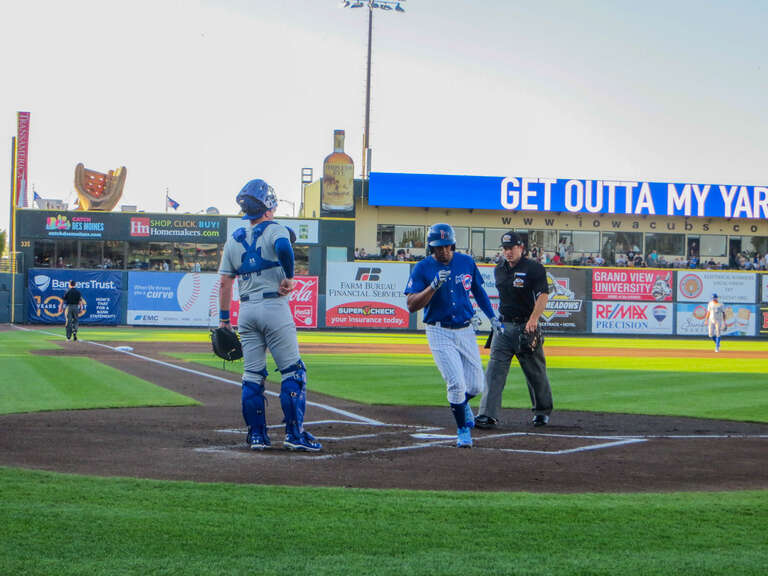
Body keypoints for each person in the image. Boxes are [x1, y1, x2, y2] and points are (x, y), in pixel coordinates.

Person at [218, 178, 321, 452]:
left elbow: (225, 283)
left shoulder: (233, 241)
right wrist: (289, 277)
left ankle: (256, 436)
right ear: (269, 205)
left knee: (251, 375)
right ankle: (294, 435)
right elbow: (285, 249)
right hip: (274, 307)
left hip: (247, 310)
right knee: (292, 371)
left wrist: (224, 319)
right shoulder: (276, 229)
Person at [404, 223, 503, 448]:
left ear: (453, 244)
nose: (444, 251)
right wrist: (432, 287)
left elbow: (478, 290)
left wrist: (493, 317)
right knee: (456, 383)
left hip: (466, 329)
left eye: (447, 246)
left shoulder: (466, 262)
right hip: (438, 330)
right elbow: (411, 305)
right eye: (439, 247)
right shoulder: (422, 268)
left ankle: (461, 404)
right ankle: (462, 430)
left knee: (476, 386)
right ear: (432, 247)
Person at [475, 231, 553, 429]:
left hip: (526, 326)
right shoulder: (499, 269)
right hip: (503, 327)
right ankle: (487, 414)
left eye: (511, 248)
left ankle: (542, 411)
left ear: (521, 248)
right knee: (494, 371)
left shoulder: (534, 268)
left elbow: (543, 294)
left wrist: (534, 320)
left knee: (535, 373)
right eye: (505, 248)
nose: (508, 252)